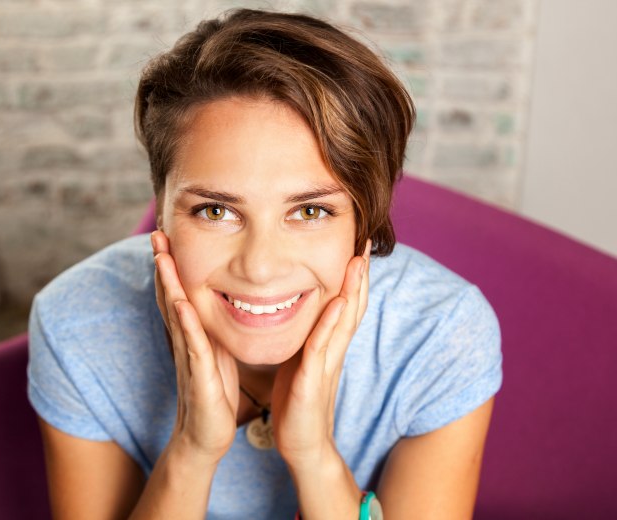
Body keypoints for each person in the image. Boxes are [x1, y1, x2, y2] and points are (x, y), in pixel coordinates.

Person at [27, 8, 502, 520]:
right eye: (216, 210)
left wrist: (314, 455)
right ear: (160, 206)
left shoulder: (442, 332)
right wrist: (192, 449)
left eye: (310, 211)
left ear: (366, 220)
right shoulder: (76, 325)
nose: (260, 267)